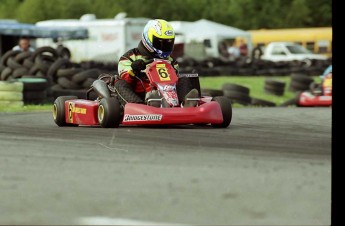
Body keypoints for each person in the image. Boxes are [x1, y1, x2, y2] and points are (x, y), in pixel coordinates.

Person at [115, 19, 199, 107]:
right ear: (148, 39)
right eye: (160, 43)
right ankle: (138, 106)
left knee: (184, 79)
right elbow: (126, 80)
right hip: (138, 95)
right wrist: (134, 71)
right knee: (119, 83)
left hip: (165, 93)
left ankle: (186, 104)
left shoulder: (171, 61)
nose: (164, 46)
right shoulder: (129, 57)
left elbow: (174, 82)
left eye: (167, 43)